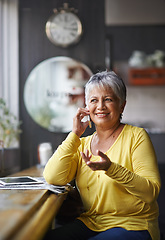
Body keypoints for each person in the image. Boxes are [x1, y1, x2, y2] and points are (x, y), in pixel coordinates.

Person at [43, 71, 161, 240]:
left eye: (108, 99)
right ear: (86, 106)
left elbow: (151, 193)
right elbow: (53, 177)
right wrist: (75, 134)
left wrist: (111, 168)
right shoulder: (81, 144)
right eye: (93, 100)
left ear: (122, 105)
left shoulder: (137, 136)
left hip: (134, 225)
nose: (100, 106)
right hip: (92, 223)